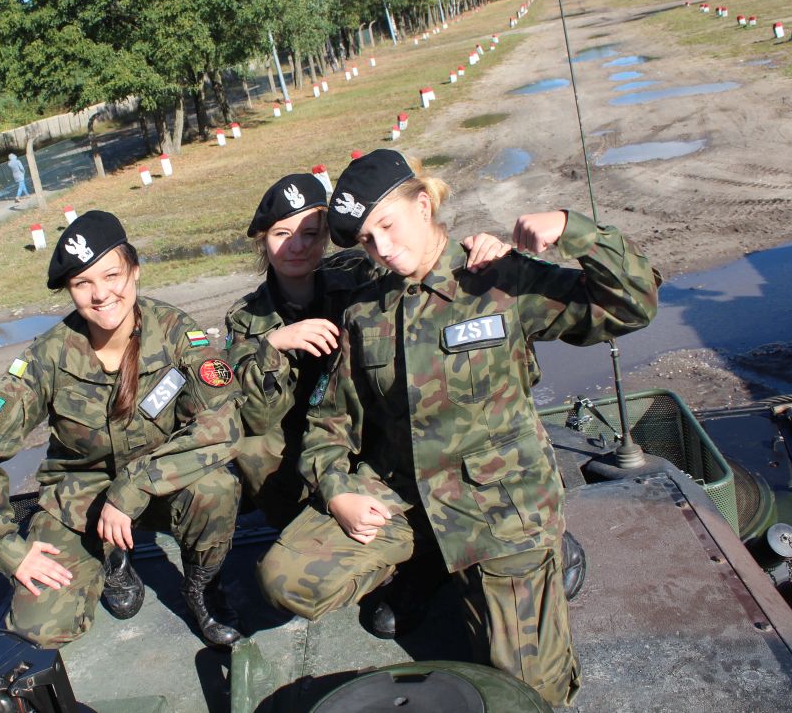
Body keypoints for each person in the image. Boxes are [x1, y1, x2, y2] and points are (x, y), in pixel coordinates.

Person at [257, 149, 660, 707]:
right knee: (286, 580)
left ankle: (544, 553)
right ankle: (429, 565)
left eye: (388, 226)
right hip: (404, 496)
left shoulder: (496, 279)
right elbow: (330, 424)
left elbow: (633, 306)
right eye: (368, 240)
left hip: (500, 505)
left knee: (528, 694)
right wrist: (338, 490)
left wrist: (573, 229)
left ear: (424, 204)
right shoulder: (366, 311)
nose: (382, 248)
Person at [0, 210, 243, 649]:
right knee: (39, 628)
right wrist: (10, 550)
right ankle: (111, 558)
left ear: (135, 271)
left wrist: (133, 486)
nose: (101, 294)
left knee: (216, 487)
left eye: (111, 275)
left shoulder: (175, 332)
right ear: (69, 290)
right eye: (82, 283)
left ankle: (203, 588)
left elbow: (223, 422)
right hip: (80, 499)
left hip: (160, 484)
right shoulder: (47, 356)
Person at [224, 174, 376, 529]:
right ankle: (294, 526)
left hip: (360, 419)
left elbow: (414, 268)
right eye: (281, 234)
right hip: (292, 429)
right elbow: (256, 417)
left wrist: (479, 249)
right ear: (263, 242)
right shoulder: (246, 317)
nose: (296, 247)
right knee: (250, 444)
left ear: (325, 238)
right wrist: (273, 345)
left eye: (309, 234)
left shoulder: (358, 277)